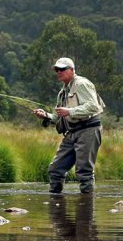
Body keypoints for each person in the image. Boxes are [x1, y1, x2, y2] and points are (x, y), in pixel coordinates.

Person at [34, 56, 104, 194]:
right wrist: (46, 115)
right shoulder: (62, 92)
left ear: (72, 70)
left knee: (84, 171)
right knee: (55, 169)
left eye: (62, 69)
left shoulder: (82, 84)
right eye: (56, 70)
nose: (58, 72)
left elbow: (93, 107)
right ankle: (56, 207)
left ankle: (86, 208)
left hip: (88, 129)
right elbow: (60, 116)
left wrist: (70, 111)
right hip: (71, 133)